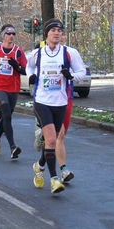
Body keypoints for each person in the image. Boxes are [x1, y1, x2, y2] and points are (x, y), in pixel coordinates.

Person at [26, 18, 85, 193]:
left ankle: (40, 165)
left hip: (61, 102)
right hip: (42, 100)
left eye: (59, 31)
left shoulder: (69, 53)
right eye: (53, 30)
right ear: (47, 34)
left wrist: (71, 76)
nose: (57, 33)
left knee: (52, 141)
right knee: (52, 139)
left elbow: (82, 71)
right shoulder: (38, 53)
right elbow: (28, 67)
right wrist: (32, 76)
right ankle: (54, 179)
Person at [0, 24, 27, 159]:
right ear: (3, 35)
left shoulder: (18, 51)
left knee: (6, 116)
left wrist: (17, 67)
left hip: (13, 88)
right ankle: (13, 147)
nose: (11, 36)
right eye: (8, 33)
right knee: (6, 115)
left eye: (13, 34)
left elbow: (25, 70)